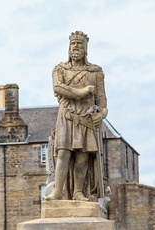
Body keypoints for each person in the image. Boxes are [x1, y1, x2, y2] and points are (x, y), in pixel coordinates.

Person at [45, 31, 108, 201]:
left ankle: (78, 191)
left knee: (82, 156)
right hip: (66, 116)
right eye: (73, 43)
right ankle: (58, 191)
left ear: (86, 48)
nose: (76, 47)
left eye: (80, 44)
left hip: (86, 118)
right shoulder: (60, 69)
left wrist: (102, 114)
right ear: (69, 47)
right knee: (63, 153)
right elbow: (58, 88)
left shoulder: (95, 72)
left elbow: (102, 100)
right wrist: (82, 92)